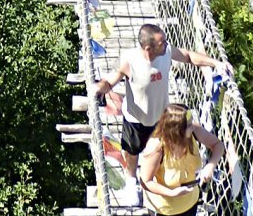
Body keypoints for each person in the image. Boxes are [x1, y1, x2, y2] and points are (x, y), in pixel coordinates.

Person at [92, 23, 232, 203]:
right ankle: (132, 180)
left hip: (162, 119)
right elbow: (110, 82)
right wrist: (98, 89)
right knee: (132, 151)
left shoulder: (165, 52)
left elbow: (188, 56)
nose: (166, 44)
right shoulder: (130, 60)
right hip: (135, 118)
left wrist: (216, 63)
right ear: (148, 48)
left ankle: (159, 184)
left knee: (162, 151)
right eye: (162, 42)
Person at [139, 103, 223, 216]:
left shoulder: (192, 131)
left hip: (189, 198)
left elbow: (217, 145)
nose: (194, 126)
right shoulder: (157, 147)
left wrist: (210, 166)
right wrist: (172, 193)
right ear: (176, 130)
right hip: (164, 205)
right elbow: (145, 181)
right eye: (189, 125)